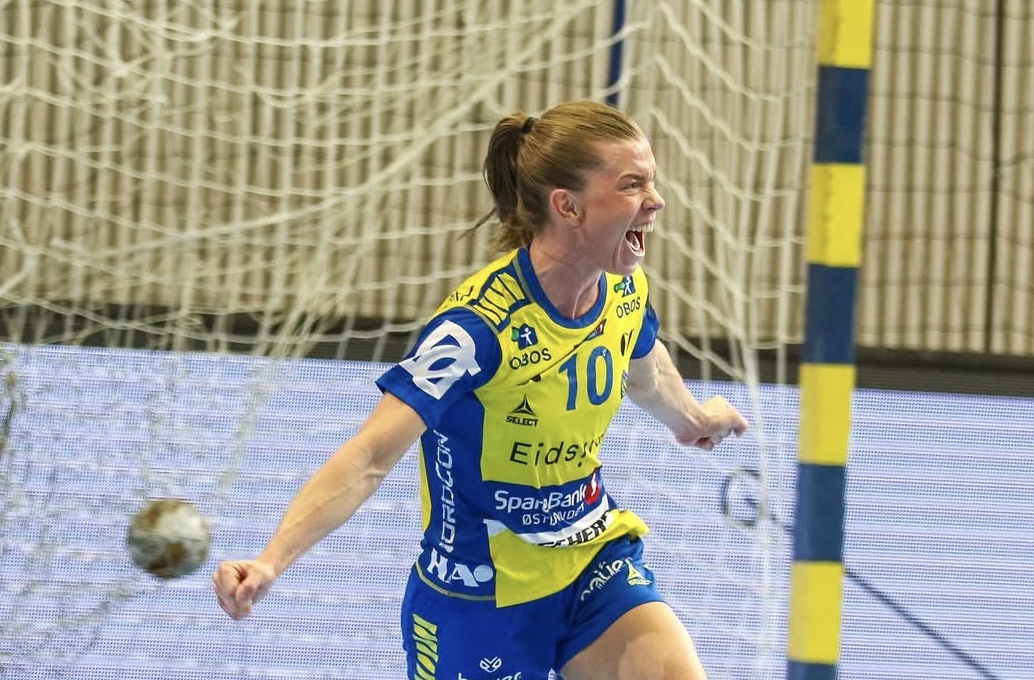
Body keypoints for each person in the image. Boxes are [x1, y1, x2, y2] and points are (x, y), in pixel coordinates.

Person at [213, 100, 748, 680]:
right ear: (567, 206)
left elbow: (645, 369)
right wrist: (271, 561)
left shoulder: (624, 290)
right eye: (632, 184)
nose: (656, 200)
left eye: (652, 181)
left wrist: (693, 420)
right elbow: (370, 456)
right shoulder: (476, 329)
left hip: (589, 560)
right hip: (478, 597)